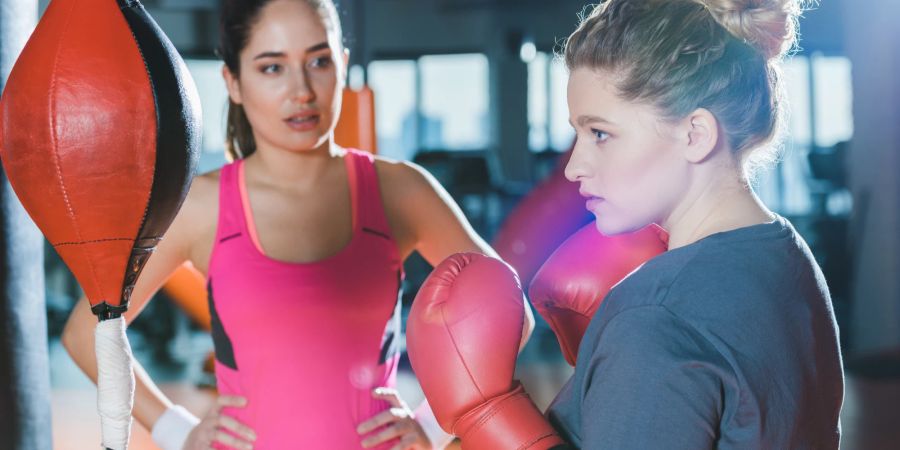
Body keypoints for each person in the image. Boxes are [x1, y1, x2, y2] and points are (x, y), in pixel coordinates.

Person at [61, 0, 533, 449]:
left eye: (319, 61)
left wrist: (433, 424)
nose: (301, 91)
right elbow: (86, 332)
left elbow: (511, 313)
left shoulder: (400, 190)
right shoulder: (203, 206)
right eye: (272, 67)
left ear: (343, 64)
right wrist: (176, 431)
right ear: (234, 82)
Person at [543, 0, 844, 448]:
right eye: (577, 133)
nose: (574, 168)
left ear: (695, 135)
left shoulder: (653, 317)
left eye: (600, 133)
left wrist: (485, 416)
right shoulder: (788, 255)